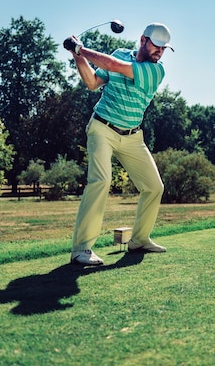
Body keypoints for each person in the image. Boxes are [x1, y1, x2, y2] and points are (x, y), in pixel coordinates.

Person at [63, 22, 174, 265]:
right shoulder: (119, 54)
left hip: (133, 137)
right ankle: (81, 248)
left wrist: (80, 49)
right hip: (102, 128)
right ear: (143, 40)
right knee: (100, 181)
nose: (160, 52)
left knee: (154, 187)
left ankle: (139, 239)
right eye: (157, 46)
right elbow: (92, 83)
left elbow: (114, 66)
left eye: (164, 49)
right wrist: (76, 55)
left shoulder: (156, 71)